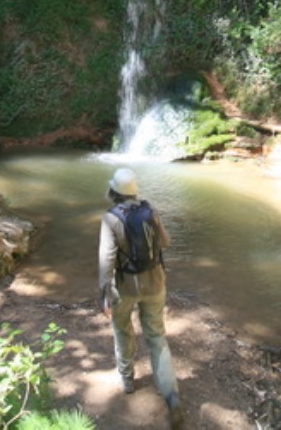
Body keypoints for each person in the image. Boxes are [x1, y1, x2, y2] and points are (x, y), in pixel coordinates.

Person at [98, 167, 184, 429]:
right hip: (155, 282)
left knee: (123, 330)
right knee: (157, 337)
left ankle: (127, 381)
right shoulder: (151, 211)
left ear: (114, 191)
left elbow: (106, 261)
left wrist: (104, 293)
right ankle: (171, 396)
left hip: (126, 287)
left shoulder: (110, 219)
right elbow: (165, 243)